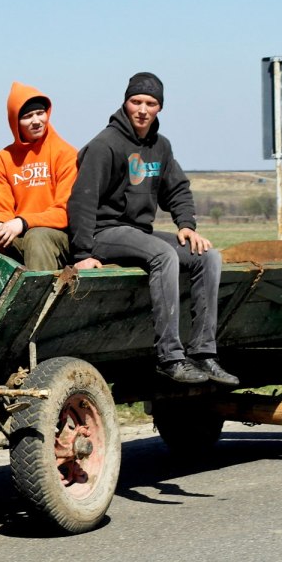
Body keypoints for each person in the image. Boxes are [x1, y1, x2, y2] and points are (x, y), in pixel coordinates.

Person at [67, 72, 238, 385]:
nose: (142, 109)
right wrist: (82, 253)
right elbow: (82, 200)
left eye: (151, 103)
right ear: (125, 102)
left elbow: (177, 189)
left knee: (207, 255)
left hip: (138, 233)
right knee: (163, 254)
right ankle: (170, 356)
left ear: (160, 107)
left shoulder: (161, 146)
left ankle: (203, 353)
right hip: (103, 233)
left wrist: (186, 225)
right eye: (136, 101)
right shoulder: (105, 145)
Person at [0, 82, 78, 270]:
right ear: (15, 122)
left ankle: (41, 299)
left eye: (40, 113)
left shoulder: (66, 154)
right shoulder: (3, 159)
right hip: (20, 234)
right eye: (28, 116)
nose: (36, 120)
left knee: (36, 236)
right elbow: (0, 207)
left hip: (56, 237)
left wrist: (23, 222)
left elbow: (64, 212)